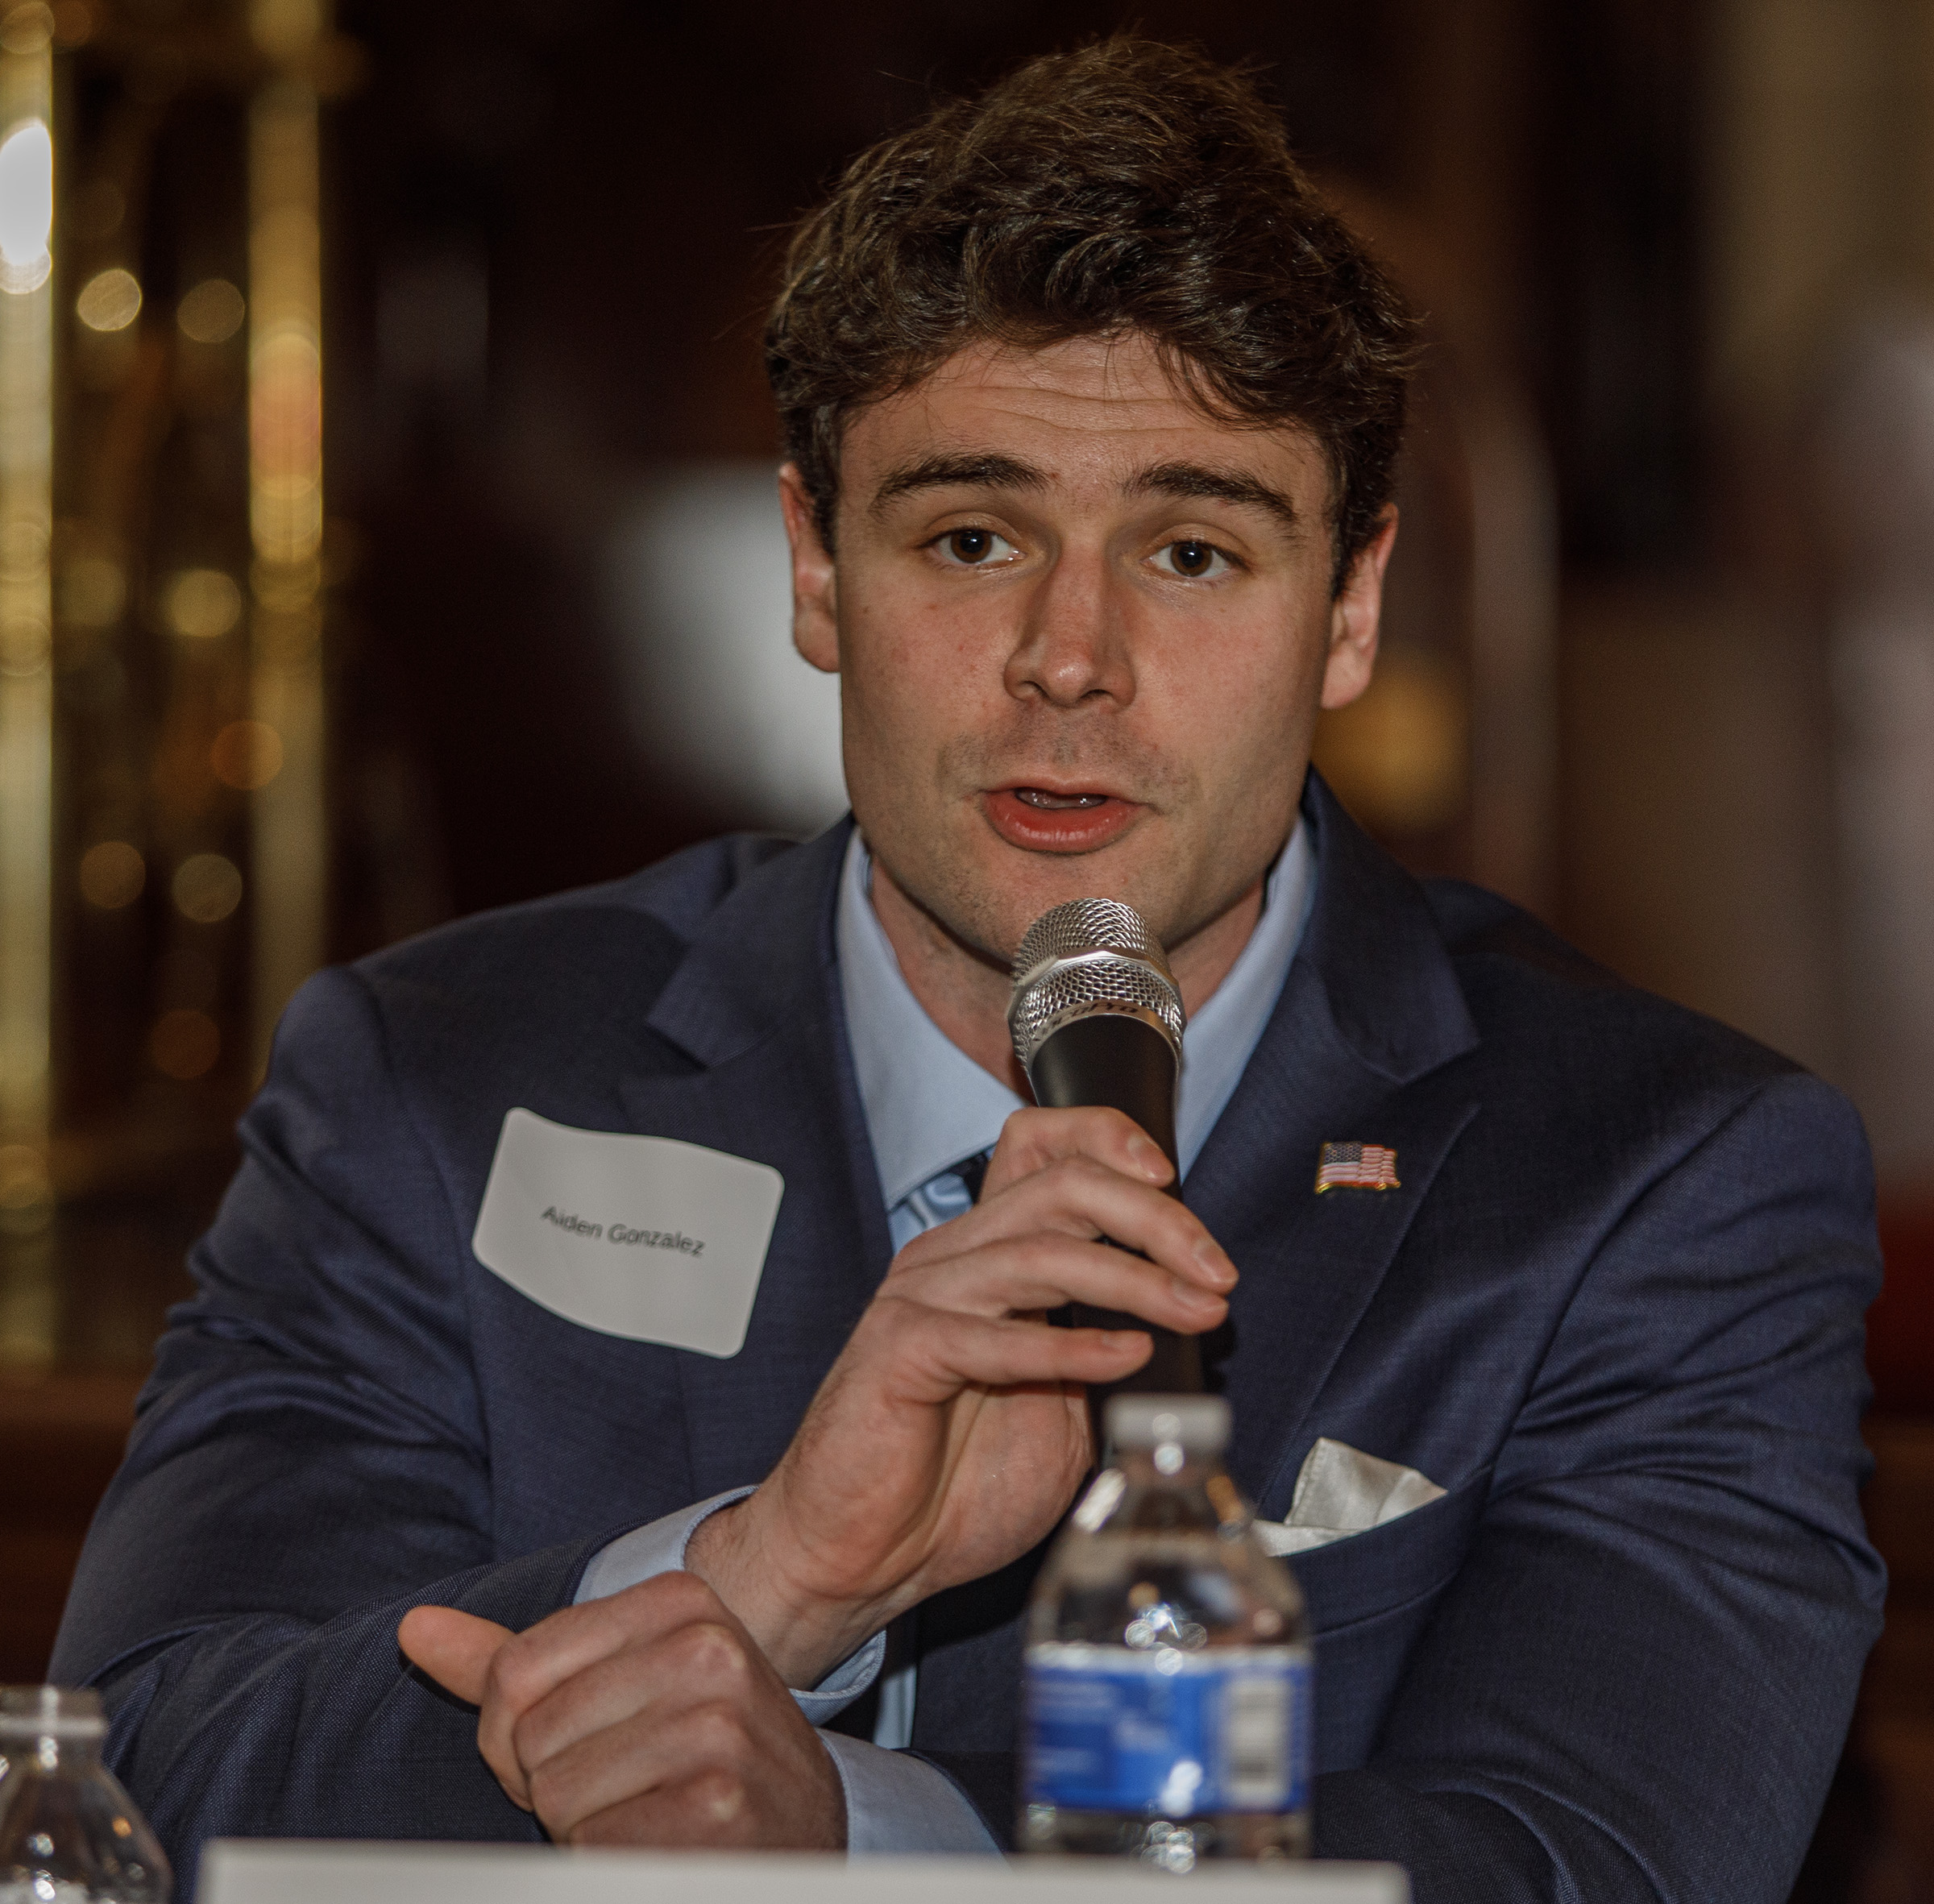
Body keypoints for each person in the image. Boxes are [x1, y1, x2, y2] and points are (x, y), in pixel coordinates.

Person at [53, 38, 1882, 1904]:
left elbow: (1590, 1865)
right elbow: (129, 1781)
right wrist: (769, 1581)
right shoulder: (437, 1078)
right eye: (972, 536)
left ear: (1350, 607)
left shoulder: (1659, 1180)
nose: (1068, 657)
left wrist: (850, 1839)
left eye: (1190, 548)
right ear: (818, 573)